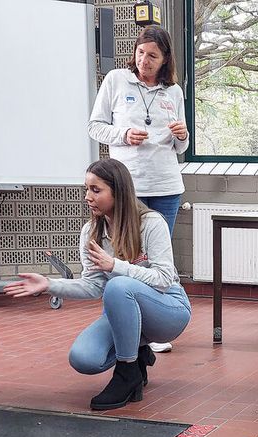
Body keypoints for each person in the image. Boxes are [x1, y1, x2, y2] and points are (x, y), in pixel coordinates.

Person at [4, 159, 191, 411]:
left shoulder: (151, 223)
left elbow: (164, 278)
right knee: (83, 358)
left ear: (118, 191)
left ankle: (127, 372)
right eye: (86, 189)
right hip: (125, 309)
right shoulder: (90, 231)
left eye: (96, 190)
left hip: (169, 310)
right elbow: (93, 286)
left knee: (119, 286)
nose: (87, 197)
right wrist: (49, 284)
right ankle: (137, 352)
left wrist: (115, 266)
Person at [87, 24, 188, 353]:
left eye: (153, 56)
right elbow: (95, 127)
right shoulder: (116, 79)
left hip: (166, 185)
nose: (144, 60)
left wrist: (182, 136)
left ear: (165, 59)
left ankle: (154, 328)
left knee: (157, 258)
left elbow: (180, 147)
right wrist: (123, 135)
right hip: (127, 186)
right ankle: (123, 319)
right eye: (141, 53)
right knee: (125, 254)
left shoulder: (174, 91)